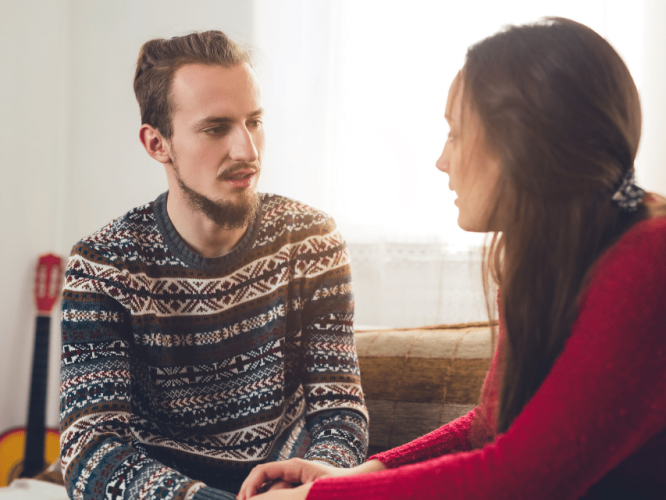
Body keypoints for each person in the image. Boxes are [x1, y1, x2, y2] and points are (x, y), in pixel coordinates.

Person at [237, 17, 666, 500]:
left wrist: (313, 499)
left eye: (456, 134)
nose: (443, 160)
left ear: (521, 143)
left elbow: (520, 475)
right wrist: (362, 474)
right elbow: (492, 426)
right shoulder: (549, 260)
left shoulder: (650, 258)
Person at [59, 31, 369, 500]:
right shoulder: (103, 265)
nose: (247, 150)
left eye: (254, 121)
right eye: (216, 128)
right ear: (157, 143)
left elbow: (339, 411)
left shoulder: (311, 240)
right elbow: (90, 448)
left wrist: (314, 480)